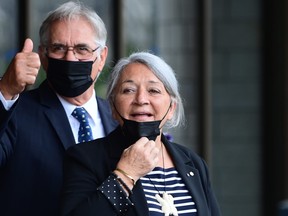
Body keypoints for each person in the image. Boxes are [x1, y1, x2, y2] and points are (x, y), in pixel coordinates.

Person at [61, 51, 221, 216]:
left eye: (154, 90)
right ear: (112, 107)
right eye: (129, 90)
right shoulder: (86, 158)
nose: (141, 99)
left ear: (172, 108)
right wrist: (126, 175)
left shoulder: (194, 164)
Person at [0, 1, 118, 216]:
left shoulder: (119, 119)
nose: (70, 58)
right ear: (43, 56)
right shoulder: (15, 112)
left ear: (101, 57)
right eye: (59, 48)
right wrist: (5, 90)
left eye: (82, 49)